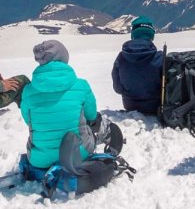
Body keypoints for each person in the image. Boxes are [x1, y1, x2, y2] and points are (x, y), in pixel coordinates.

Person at [19, 40, 121, 193]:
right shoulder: (81, 85)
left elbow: (29, 121)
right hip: (78, 154)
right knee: (94, 121)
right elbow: (91, 116)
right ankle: (107, 137)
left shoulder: (27, 91)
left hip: (38, 159)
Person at [111, 15, 164, 116]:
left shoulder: (121, 57)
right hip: (155, 106)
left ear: (133, 35)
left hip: (129, 105)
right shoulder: (160, 57)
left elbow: (117, 88)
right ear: (151, 35)